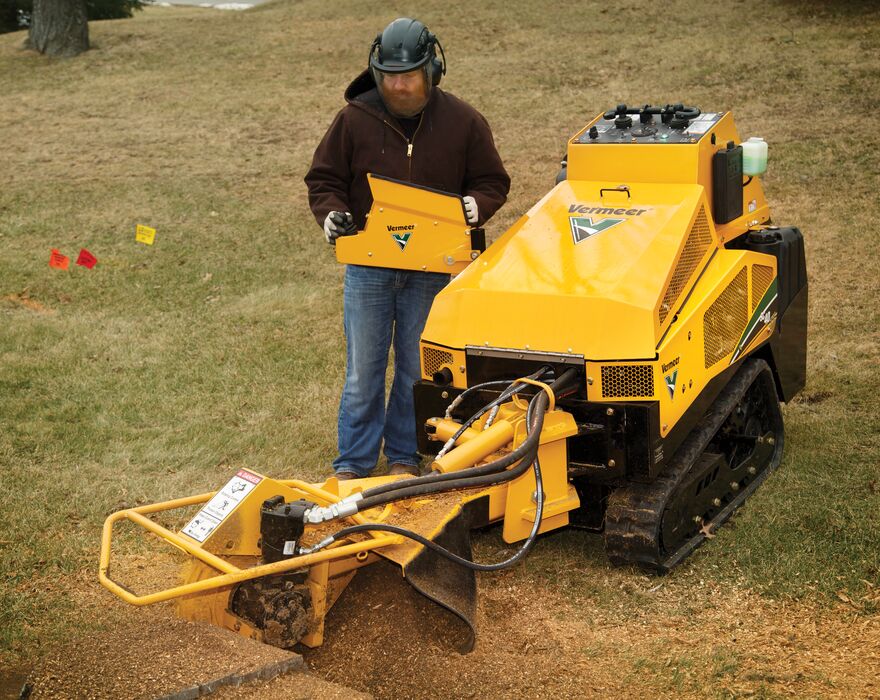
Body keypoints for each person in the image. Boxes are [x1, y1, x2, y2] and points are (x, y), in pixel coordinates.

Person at [305, 17, 510, 480]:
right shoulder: (354, 119)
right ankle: (353, 464)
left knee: (417, 371)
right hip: (370, 266)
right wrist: (331, 214)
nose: (399, 86)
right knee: (364, 371)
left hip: (432, 269)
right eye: (390, 76)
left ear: (432, 71)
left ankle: (403, 457)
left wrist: (476, 206)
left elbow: (492, 181)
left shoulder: (463, 121)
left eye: (409, 75)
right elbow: (324, 180)